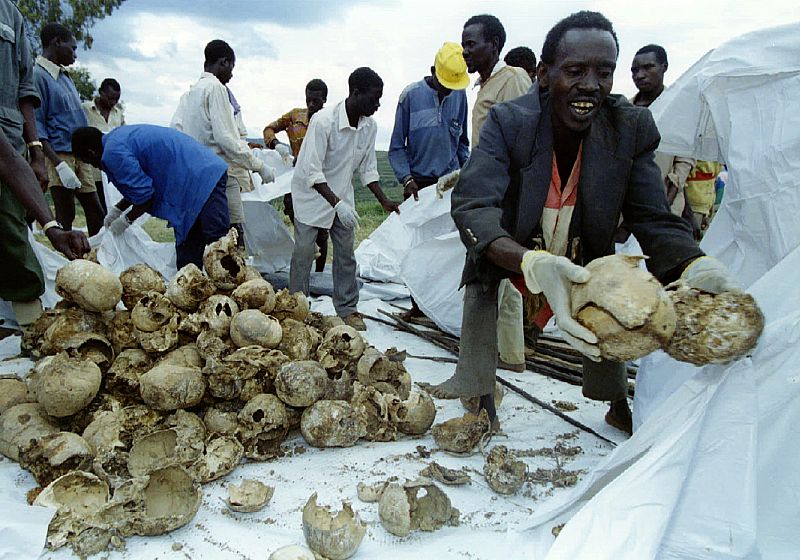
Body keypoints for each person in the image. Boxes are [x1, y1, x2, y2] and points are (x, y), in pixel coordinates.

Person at [427, 11, 739, 436]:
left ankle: (616, 404)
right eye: (574, 71)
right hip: (514, 242)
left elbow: (651, 215)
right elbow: (473, 205)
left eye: (604, 73)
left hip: (581, 245)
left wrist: (692, 264)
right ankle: (483, 401)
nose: (590, 85)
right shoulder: (510, 122)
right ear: (543, 73)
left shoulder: (628, 126)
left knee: (608, 303)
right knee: (483, 291)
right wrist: (532, 264)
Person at [0, 0, 89, 336]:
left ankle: (25, 328)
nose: (75, 52)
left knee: (12, 234)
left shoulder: (12, 15)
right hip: (8, 153)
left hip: (14, 144)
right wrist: (52, 226)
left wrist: (35, 150)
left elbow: (24, 92)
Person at [288, 67, 400, 331]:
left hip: (341, 196)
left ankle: (348, 309)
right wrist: (336, 204)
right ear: (356, 92)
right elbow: (312, 171)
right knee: (303, 253)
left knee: (346, 254)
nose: (378, 104)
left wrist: (384, 201)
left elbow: (368, 169)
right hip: (311, 195)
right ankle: (296, 308)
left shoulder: (369, 127)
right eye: (374, 98)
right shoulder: (324, 122)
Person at [463, 14, 533, 373]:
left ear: (494, 44)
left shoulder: (514, 80)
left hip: (505, 192)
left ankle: (508, 355)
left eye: (471, 44)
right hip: (486, 189)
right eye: (463, 44)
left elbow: (527, 137)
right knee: (491, 272)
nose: (465, 51)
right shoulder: (485, 85)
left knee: (501, 272)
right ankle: (503, 352)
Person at [72, 125, 230, 270]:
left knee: (218, 247)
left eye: (89, 162)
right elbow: (138, 186)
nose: (94, 166)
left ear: (91, 153)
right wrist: (118, 209)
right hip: (189, 182)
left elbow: (145, 197)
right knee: (187, 258)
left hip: (203, 177)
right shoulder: (116, 141)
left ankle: (231, 296)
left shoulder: (112, 153)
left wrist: (125, 220)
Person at [171, 39, 274, 250]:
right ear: (224, 62)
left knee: (194, 242)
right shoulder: (216, 88)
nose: (232, 75)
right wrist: (259, 166)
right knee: (223, 243)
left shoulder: (190, 94)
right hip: (214, 175)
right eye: (231, 68)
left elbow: (176, 131)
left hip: (191, 176)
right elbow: (226, 139)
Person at [33, 23, 104, 236]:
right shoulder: (39, 76)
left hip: (80, 156)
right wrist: (57, 164)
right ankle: (70, 265)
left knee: (96, 212)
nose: (74, 54)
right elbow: (37, 125)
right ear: (56, 42)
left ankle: (95, 261)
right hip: (59, 155)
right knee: (66, 215)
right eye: (72, 48)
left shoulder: (64, 76)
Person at [263, 79, 329, 272]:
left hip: (320, 182)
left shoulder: (328, 120)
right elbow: (269, 129)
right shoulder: (295, 116)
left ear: (324, 99)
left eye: (316, 101)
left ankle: (318, 274)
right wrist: (276, 144)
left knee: (321, 233)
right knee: (301, 229)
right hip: (296, 182)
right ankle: (303, 273)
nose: (311, 104)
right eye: (308, 99)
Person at [630, 44, 695, 218]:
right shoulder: (626, 110)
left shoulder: (678, 110)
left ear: (664, 67)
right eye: (634, 71)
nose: (639, 75)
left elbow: (684, 162)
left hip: (666, 207)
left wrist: (662, 208)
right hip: (626, 211)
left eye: (648, 67)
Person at [82, 77, 125, 213]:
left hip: (110, 171)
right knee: (96, 211)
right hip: (91, 172)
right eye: (110, 98)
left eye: (116, 100)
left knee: (111, 209)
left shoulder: (118, 114)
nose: (113, 103)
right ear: (101, 92)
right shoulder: (85, 110)